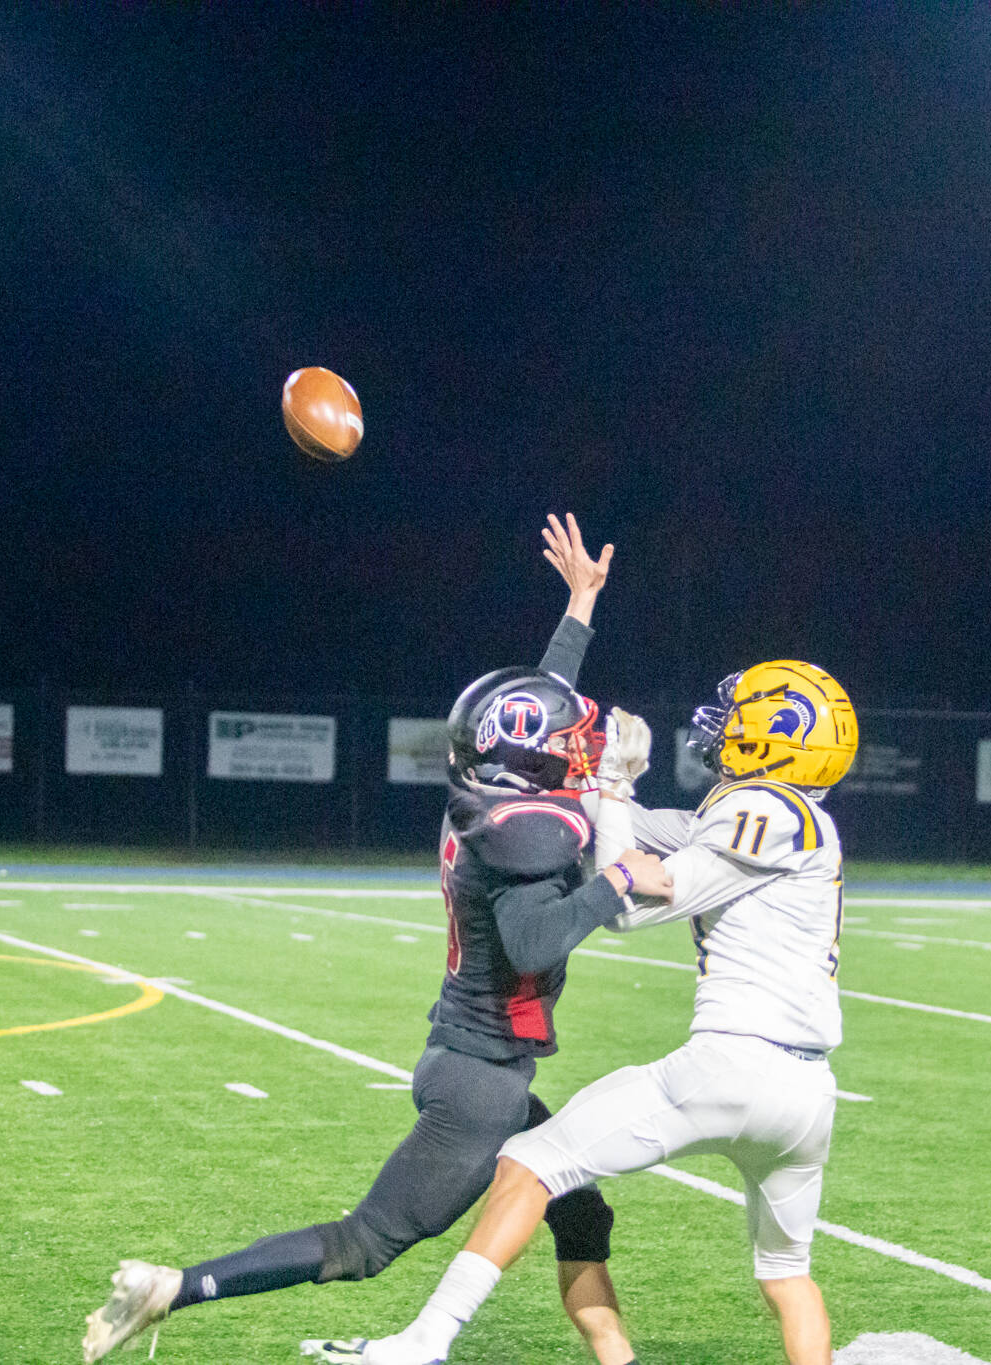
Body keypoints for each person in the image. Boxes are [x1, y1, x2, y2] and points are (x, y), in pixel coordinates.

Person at [84, 515, 673, 1365]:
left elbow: (529, 709)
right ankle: (176, 1286)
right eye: (570, 744)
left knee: (579, 1205)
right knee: (362, 1245)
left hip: (475, 1061)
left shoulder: (488, 794)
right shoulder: (527, 831)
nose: (582, 750)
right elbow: (535, 939)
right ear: (536, 759)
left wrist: (579, 607)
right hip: (481, 1084)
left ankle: (617, 1358)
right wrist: (618, 879)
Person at [308, 661, 857, 1365]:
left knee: (529, 1163)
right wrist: (596, 789)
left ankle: (425, 1339)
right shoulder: (798, 819)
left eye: (740, 714)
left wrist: (612, 790)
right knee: (787, 1275)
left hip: (732, 1065)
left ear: (778, 736)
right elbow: (636, 831)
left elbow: (624, 903)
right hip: (809, 1095)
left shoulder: (763, 812)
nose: (723, 726)